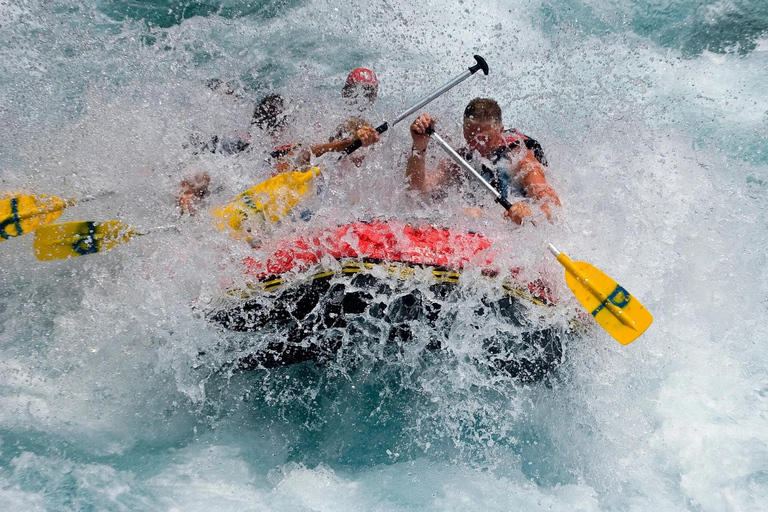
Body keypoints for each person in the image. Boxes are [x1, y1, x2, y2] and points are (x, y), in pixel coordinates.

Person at [406, 98, 561, 225]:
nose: (478, 145)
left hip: (512, 227)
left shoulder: (519, 159)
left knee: (474, 214)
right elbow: (418, 189)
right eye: (471, 137)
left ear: (500, 131)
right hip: (482, 222)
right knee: (468, 213)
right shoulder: (461, 159)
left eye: (486, 138)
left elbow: (554, 206)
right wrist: (419, 146)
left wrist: (529, 212)